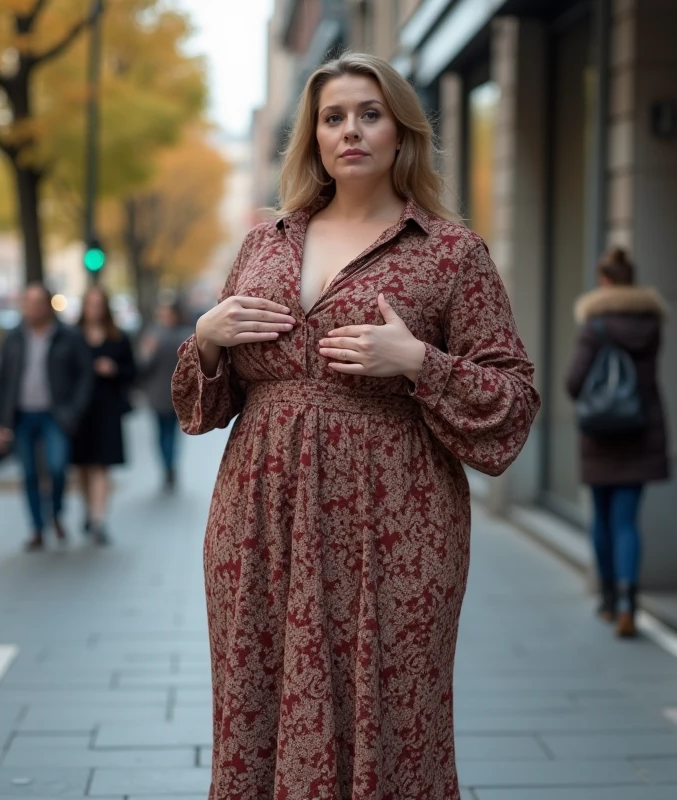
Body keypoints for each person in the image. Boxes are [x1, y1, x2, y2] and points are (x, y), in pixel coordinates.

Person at [172, 53, 540, 800]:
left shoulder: (450, 252)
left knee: (393, 713)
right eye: (333, 117)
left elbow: (514, 398)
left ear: (401, 131)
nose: (350, 131)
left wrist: (418, 361)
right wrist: (206, 337)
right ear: (312, 137)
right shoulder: (264, 244)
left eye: (369, 114)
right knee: (257, 705)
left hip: (397, 525)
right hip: (260, 520)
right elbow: (201, 408)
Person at [566, 247, 669, 639]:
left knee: (603, 519)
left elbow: (573, 382)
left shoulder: (595, 325)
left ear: (605, 281)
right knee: (627, 520)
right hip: (641, 430)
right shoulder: (652, 323)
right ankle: (629, 600)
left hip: (600, 434)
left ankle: (608, 601)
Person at [0, 283, 93, 551]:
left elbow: (85, 375)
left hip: (55, 415)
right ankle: (37, 528)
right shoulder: (13, 337)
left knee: (57, 467)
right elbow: (0, 381)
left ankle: (56, 513)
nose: (32, 307)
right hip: (22, 415)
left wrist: (74, 410)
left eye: (37, 302)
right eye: (27, 301)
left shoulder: (67, 336)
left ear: (48, 305)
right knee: (29, 473)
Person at [72, 286, 136, 545]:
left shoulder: (118, 337)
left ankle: (98, 519)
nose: (94, 309)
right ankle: (88, 510)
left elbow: (132, 371)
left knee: (101, 465)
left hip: (107, 408)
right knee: (82, 466)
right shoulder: (73, 337)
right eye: (90, 304)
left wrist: (114, 370)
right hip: (80, 410)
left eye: (99, 304)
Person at [137, 297, 194, 492]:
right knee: (164, 433)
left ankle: (169, 466)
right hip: (159, 393)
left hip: (173, 394)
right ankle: (168, 466)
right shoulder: (157, 334)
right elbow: (143, 366)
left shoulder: (182, 334)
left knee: (168, 433)